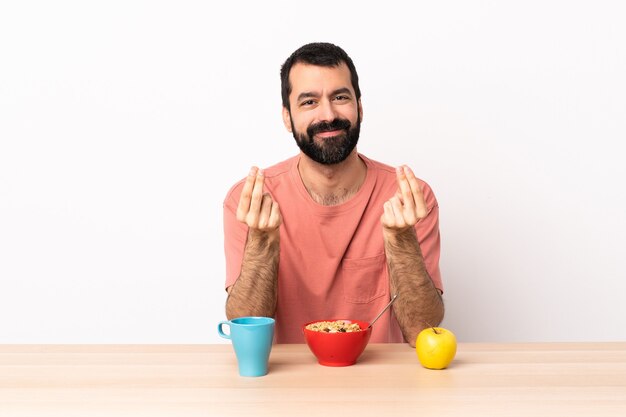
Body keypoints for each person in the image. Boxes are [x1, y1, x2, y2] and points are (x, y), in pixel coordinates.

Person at [223, 42, 444, 347]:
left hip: (384, 386)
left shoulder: (409, 197)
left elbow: (424, 330)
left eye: (340, 97)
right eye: (309, 102)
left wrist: (402, 240)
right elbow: (245, 337)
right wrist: (261, 243)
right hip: (283, 389)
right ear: (287, 117)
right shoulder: (250, 202)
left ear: (360, 107)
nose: (328, 115)